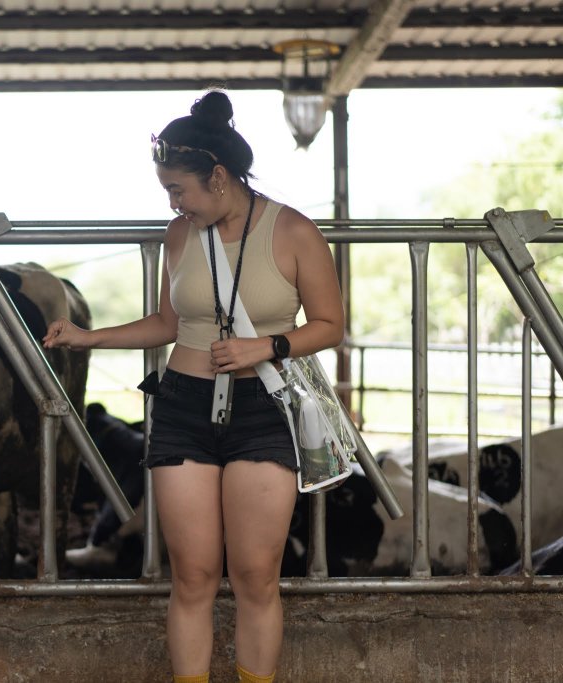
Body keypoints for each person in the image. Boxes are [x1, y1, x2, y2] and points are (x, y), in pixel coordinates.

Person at [43, 90, 345, 683]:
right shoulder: (179, 235)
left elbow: (331, 326)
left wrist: (268, 346)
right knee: (193, 575)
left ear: (219, 176)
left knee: (256, 576)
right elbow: (167, 323)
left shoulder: (292, 230)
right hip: (182, 406)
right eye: (167, 193)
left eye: (178, 190)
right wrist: (88, 337)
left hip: (264, 406)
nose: (173, 203)